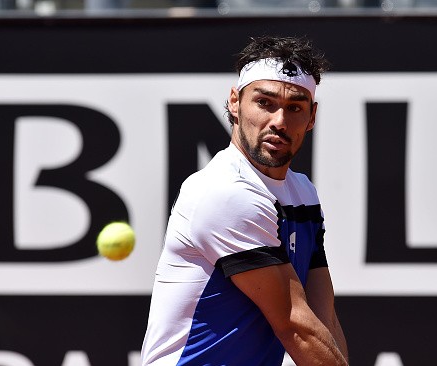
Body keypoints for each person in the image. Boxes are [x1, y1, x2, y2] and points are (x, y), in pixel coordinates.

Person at [141, 35, 348, 366]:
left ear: (311, 118)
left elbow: (321, 319)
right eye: (264, 103)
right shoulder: (225, 193)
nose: (279, 122)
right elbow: (295, 325)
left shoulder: (303, 192)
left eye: (295, 107)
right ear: (235, 102)